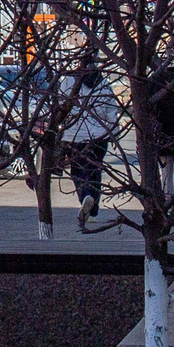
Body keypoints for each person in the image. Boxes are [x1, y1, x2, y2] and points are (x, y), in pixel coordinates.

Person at [63, 64, 118, 230]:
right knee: (94, 171)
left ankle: (85, 197)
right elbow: (111, 111)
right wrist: (113, 133)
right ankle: (92, 211)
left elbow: (61, 106)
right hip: (99, 137)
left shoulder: (68, 82)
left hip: (74, 136)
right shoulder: (103, 84)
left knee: (78, 171)